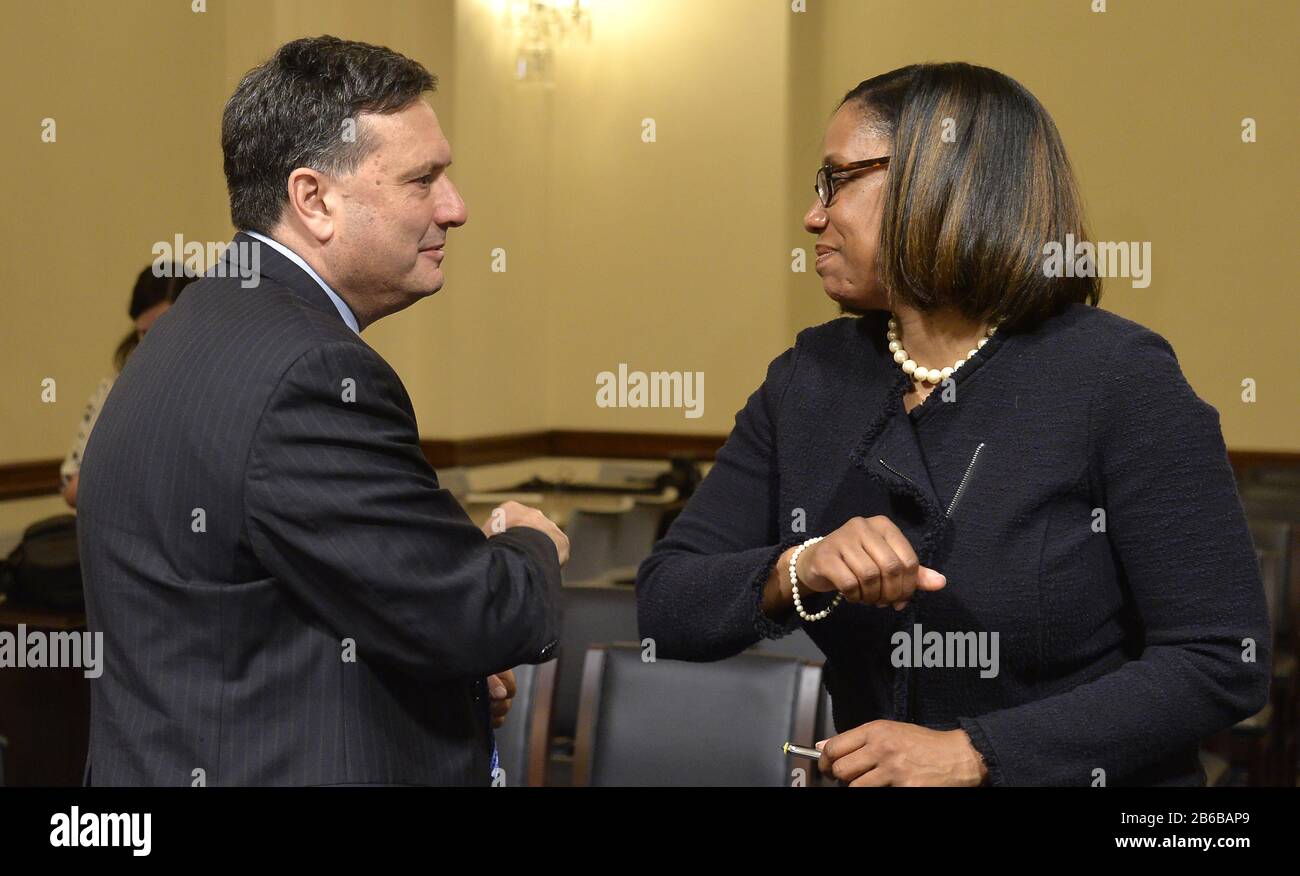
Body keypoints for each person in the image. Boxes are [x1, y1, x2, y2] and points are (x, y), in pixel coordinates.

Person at [636, 62, 1271, 786]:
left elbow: (1221, 661)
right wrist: (799, 566)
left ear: (939, 183)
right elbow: (666, 606)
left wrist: (976, 753)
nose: (814, 216)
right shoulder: (809, 376)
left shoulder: (1117, 375)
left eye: (837, 180)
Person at [77, 35, 567, 786]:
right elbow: (471, 614)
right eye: (422, 179)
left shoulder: (194, 327)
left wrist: (450, 679)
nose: (455, 207)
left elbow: (294, 610)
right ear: (314, 199)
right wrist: (529, 546)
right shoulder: (312, 371)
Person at [59, 266, 195, 507]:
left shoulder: (217, 391)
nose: (153, 345)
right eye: (144, 333)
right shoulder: (115, 390)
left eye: (164, 330)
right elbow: (72, 487)